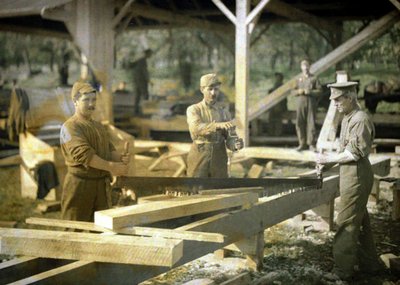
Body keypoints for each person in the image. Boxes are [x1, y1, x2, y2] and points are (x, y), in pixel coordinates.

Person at [316, 74, 381, 281]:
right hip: (350, 174)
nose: (334, 104)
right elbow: (346, 150)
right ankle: (370, 265)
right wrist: (331, 161)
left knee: (346, 223)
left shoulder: (360, 120)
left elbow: (355, 153)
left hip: (357, 175)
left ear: (350, 97)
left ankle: (342, 271)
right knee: (360, 221)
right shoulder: (347, 118)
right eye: (333, 100)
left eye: (338, 100)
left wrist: (330, 161)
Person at [60, 81, 129, 222]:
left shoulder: (98, 126)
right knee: (75, 230)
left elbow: (107, 150)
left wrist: (120, 158)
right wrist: (113, 167)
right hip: (80, 186)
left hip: (101, 185)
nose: (91, 104)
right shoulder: (70, 127)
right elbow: (85, 156)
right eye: (86, 100)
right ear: (75, 101)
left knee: (102, 228)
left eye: (94, 100)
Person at [186, 73, 243, 178]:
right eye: (210, 89)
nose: (213, 93)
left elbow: (231, 136)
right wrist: (217, 125)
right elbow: (196, 128)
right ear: (202, 89)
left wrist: (235, 144)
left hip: (219, 156)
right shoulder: (194, 109)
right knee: (196, 187)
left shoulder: (224, 112)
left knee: (219, 187)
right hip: (200, 154)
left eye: (216, 89)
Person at [293, 60, 321, 151]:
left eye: (307, 66)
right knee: (299, 122)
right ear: (301, 68)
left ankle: (311, 144)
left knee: (311, 123)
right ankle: (302, 144)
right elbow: (292, 92)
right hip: (300, 103)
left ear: (309, 67)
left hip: (311, 103)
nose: (305, 68)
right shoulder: (298, 79)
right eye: (304, 67)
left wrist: (311, 92)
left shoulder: (314, 78)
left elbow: (320, 91)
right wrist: (298, 91)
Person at [130, 49, 152, 115]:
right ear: (148, 54)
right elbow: (144, 71)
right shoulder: (143, 61)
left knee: (138, 95)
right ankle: (145, 110)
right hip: (142, 81)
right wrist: (149, 80)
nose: (151, 55)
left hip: (136, 80)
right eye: (150, 54)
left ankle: (136, 111)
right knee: (145, 95)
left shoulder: (139, 60)